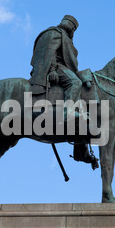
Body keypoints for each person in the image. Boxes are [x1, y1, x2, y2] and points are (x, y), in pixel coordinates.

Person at [29, 15, 98, 169]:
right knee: (75, 82)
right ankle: (68, 114)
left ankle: (81, 148)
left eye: (73, 26)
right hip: (57, 69)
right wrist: (52, 70)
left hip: (64, 69)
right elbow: (48, 54)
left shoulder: (65, 37)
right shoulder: (53, 33)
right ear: (63, 22)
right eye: (70, 23)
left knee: (85, 97)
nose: (70, 26)